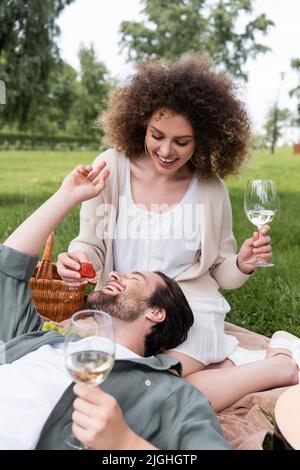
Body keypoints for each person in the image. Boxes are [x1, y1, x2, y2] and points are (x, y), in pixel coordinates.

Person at [56, 54, 272, 379]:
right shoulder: (111, 167)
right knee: (90, 358)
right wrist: (76, 261)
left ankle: (255, 370)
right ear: (142, 123)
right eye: (157, 135)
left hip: (188, 310)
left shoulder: (210, 190)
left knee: (156, 374)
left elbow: (220, 272)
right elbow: (91, 245)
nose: (167, 150)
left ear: (202, 140)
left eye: (181, 142)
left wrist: (243, 263)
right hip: (123, 306)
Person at [0, 163, 229, 450]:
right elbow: (7, 268)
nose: (114, 274)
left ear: (156, 313)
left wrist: (125, 444)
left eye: (133, 277)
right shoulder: (38, 339)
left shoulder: (169, 394)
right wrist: (66, 196)